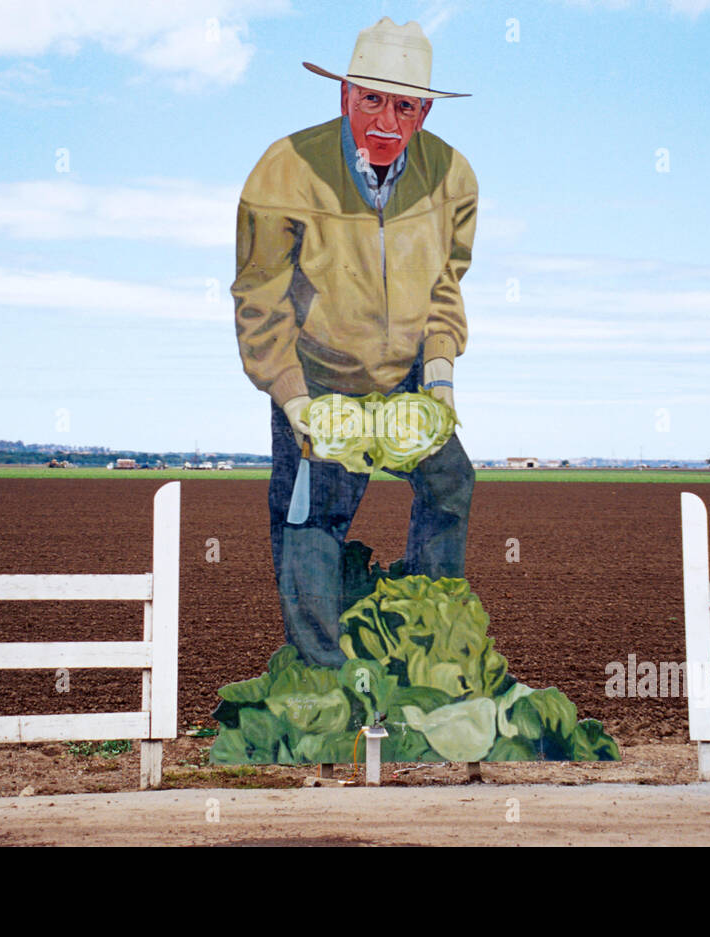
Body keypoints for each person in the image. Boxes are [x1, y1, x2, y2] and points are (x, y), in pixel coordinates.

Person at [232, 18, 477, 667]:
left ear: (424, 111)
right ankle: (320, 674)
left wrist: (442, 381)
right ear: (344, 96)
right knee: (314, 512)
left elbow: (446, 287)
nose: (386, 121)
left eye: (404, 105)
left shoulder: (452, 178)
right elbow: (260, 296)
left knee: (450, 482)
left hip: (404, 373)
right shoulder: (284, 170)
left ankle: (427, 636)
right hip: (319, 374)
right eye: (371, 98)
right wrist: (293, 401)